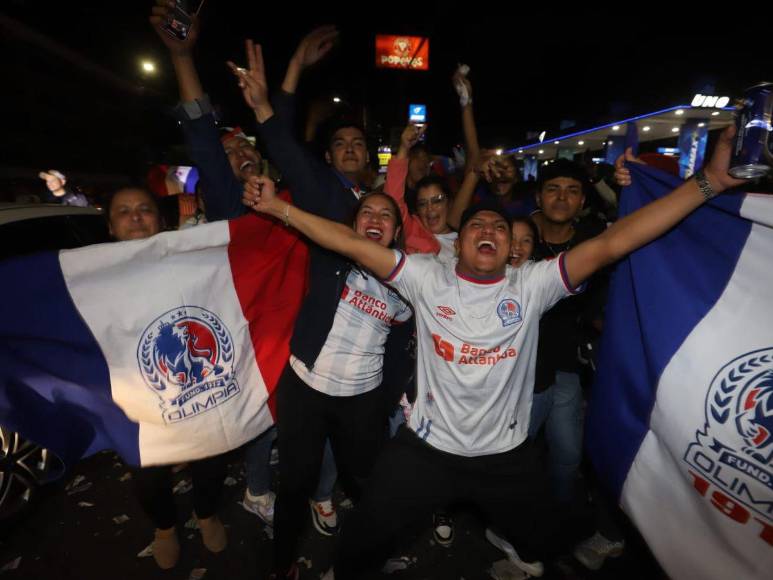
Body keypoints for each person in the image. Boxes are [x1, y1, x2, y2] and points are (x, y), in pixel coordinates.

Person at [241, 125, 746, 578]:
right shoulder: (424, 276)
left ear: (513, 250)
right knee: (363, 540)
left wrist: (711, 183)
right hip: (426, 452)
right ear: (457, 245)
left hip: (506, 459)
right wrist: (279, 208)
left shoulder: (534, 285)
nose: (488, 231)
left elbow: (615, 243)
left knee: (553, 539)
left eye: (500, 229)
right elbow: (350, 244)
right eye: (477, 227)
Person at [231, 38, 417, 578]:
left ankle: (366, 557)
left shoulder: (410, 280)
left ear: (397, 233)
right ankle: (281, 562)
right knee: (294, 483)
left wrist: (390, 393)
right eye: (367, 212)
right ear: (353, 223)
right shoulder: (331, 246)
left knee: (364, 484)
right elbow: (295, 162)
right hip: (305, 388)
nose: (375, 217)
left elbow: (410, 341)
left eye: (387, 215)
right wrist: (264, 108)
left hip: (361, 403)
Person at [149, 2, 339, 531]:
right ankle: (255, 490)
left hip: (301, 341)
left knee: (305, 425)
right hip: (248, 343)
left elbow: (293, 152)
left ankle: (307, 492)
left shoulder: (291, 205)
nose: (240, 156)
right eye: (230, 155)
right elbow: (202, 138)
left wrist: (293, 74)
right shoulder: (231, 211)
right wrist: (183, 58)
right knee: (258, 423)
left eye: (246, 150)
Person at [104, 186, 228, 570]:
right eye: (124, 211)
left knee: (209, 456)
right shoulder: (93, 277)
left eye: (144, 209)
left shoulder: (185, 261)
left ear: (161, 220)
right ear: (110, 226)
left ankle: (206, 513)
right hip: (135, 398)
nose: (136, 216)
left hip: (195, 390)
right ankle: (164, 528)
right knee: (147, 473)